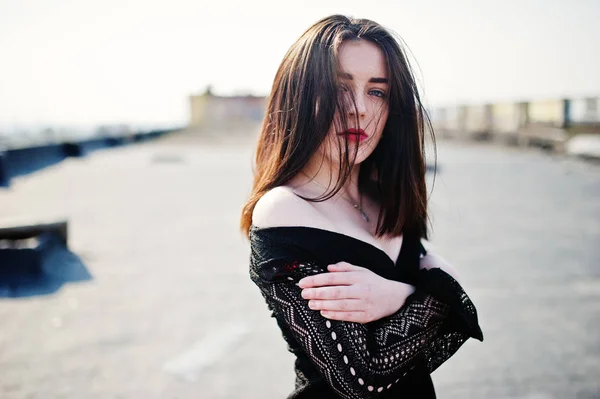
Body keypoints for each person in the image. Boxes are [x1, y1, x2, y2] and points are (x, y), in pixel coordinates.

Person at [240, 14, 483, 399]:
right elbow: (364, 375)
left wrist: (399, 294)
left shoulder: (385, 196)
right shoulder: (283, 210)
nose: (359, 108)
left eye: (377, 92)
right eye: (339, 87)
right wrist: (432, 290)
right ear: (299, 96)